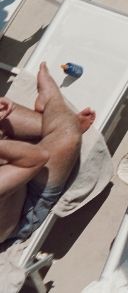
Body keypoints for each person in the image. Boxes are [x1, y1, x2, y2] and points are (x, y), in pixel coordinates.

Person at [0, 63, 96, 248]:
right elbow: (36, 158)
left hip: (16, 172)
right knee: (68, 134)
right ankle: (51, 100)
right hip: (24, 208)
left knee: (6, 114)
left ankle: (49, 117)